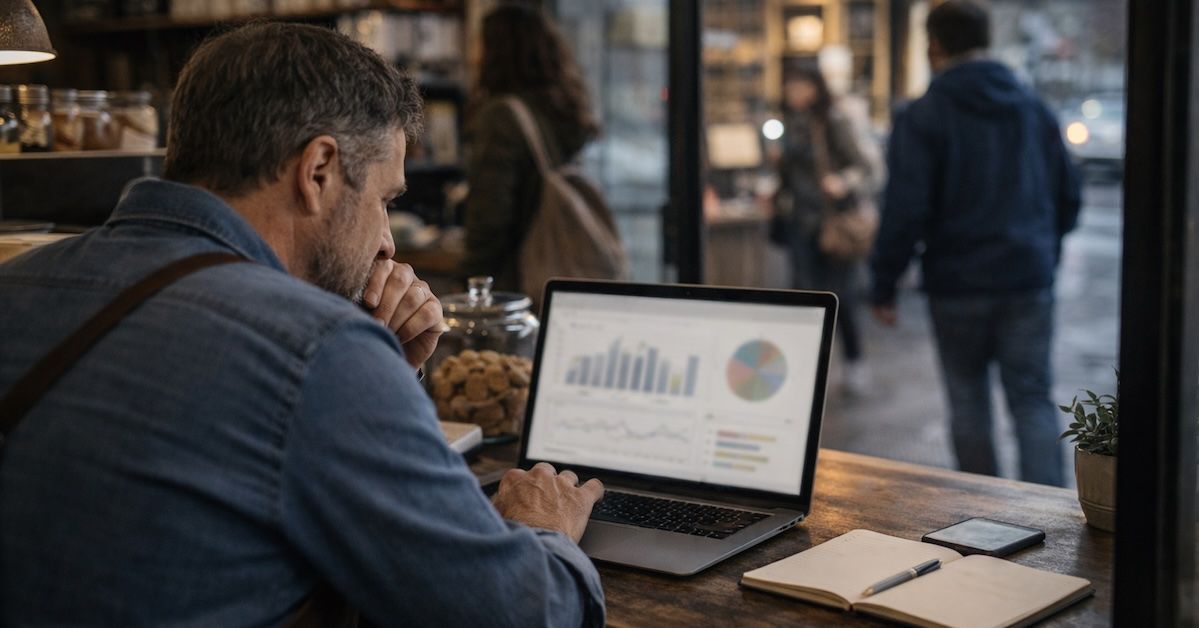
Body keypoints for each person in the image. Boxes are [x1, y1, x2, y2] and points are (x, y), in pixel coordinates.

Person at [0, 23, 605, 626]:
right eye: (385, 201)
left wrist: (383, 377)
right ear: (317, 171)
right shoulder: (316, 349)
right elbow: (522, 613)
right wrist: (545, 527)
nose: (388, 241)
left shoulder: (16, 283)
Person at [870, 0, 1081, 486]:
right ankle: (1050, 512)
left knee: (968, 401)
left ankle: (982, 512)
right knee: (1031, 399)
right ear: (986, 41)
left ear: (934, 44)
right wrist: (1043, 249)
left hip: (958, 283)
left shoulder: (923, 115)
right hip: (1027, 278)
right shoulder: (1033, 108)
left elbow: (905, 208)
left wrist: (884, 283)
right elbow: (1069, 195)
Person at [459, 3, 600, 292]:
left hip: (516, 278)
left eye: (479, 44)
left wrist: (469, 280)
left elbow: (490, 215)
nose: (473, 55)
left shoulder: (502, 115)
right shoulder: (559, 109)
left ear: (496, 52)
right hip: (556, 267)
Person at [774, 67, 883, 395]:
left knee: (840, 296)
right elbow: (788, 175)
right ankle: (807, 370)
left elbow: (866, 167)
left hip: (831, 223)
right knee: (803, 297)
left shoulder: (834, 121)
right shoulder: (788, 124)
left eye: (800, 85)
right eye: (790, 85)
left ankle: (854, 361)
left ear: (815, 87)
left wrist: (842, 182)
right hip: (800, 223)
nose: (794, 92)